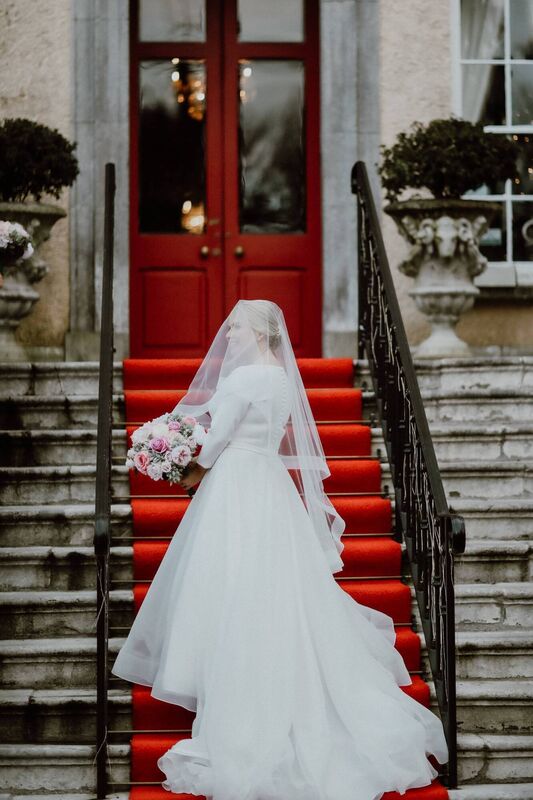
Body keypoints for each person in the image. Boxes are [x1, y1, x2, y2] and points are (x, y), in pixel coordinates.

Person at [112, 299, 449, 800]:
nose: (227, 337)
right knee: (275, 591)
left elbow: (213, 444)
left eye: (236, 329)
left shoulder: (242, 380)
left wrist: (176, 457)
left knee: (232, 588)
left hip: (237, 486)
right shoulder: (281, 379)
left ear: (261, 334)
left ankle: (240, 701)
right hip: (269, 483)